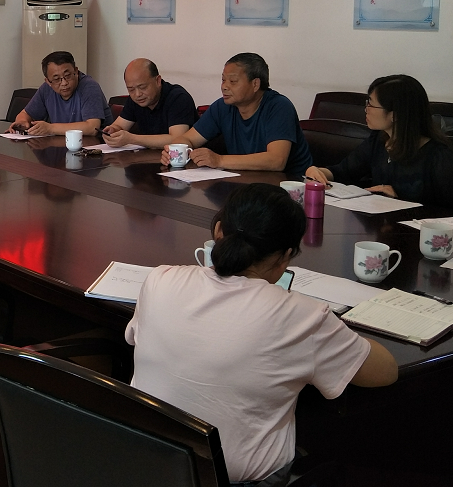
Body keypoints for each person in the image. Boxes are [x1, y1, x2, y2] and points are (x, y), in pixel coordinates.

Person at [126, 183, 397, 484]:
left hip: (146, 464)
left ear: (218, 232)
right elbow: (386, 372)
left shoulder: (160, 279)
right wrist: (337, 332)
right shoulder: (302, 316)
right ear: (285, 257)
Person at [306, 75, 453, 208]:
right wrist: (317, 172)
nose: (366, 109)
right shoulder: (379, 140)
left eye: (371, 104)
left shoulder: (439, 156)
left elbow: (445, 210)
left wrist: (400, 196)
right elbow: (344, 171)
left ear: (395, 115)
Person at [161, 52, 313, 177]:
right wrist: (173, 151)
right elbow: (188, 138)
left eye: (233, 81)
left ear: (255, 84)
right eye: (223, 80)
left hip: (289, 187)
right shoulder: (222, 107)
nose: (224, 86)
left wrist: (219, 160)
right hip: (247, 182)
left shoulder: (279, 107)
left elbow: (276, 161)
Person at [7, 51, 114, 136]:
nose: (64, 83)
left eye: (68, 76)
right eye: (56, 79)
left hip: (94, 149)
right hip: (62, 146)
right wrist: (22, 122)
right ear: (48, 81)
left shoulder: (89, 86)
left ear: (76, 71)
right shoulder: (46, 89)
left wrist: (50, 128)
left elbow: (92, 128)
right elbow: (25, 114)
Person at [101, 58, 197, 149]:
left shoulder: (178, 98)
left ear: (158, 81)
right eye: (131, 89)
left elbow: (178, 140)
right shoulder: (136, 99)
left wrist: (131, 138)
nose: (137, 94)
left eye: (143, 87)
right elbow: (119, 126)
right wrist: (112, 131)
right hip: (147, 157)